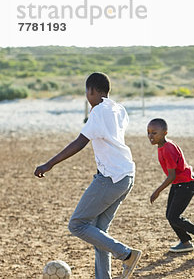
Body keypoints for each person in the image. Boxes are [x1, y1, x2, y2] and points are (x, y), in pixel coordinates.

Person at [34, 72, 141, 279]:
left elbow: (79, 143)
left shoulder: (98, 112)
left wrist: (49, 164)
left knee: (77, 224)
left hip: (110, 178)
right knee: (98, 233)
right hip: (126, 176)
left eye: (86, 92)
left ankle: (126, 254)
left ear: (91, 90)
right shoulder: (119, 109)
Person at [147, 118, 194, 254]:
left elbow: (171, 176)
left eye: (154, 133)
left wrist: (157, 191)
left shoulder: (168, 149)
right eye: (148, 132)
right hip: (179, 183)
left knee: (174, 216)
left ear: (165, 132)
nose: (150, 136)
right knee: (170, 215)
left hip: (187, 183)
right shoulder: (161, 146)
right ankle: (185, 242)